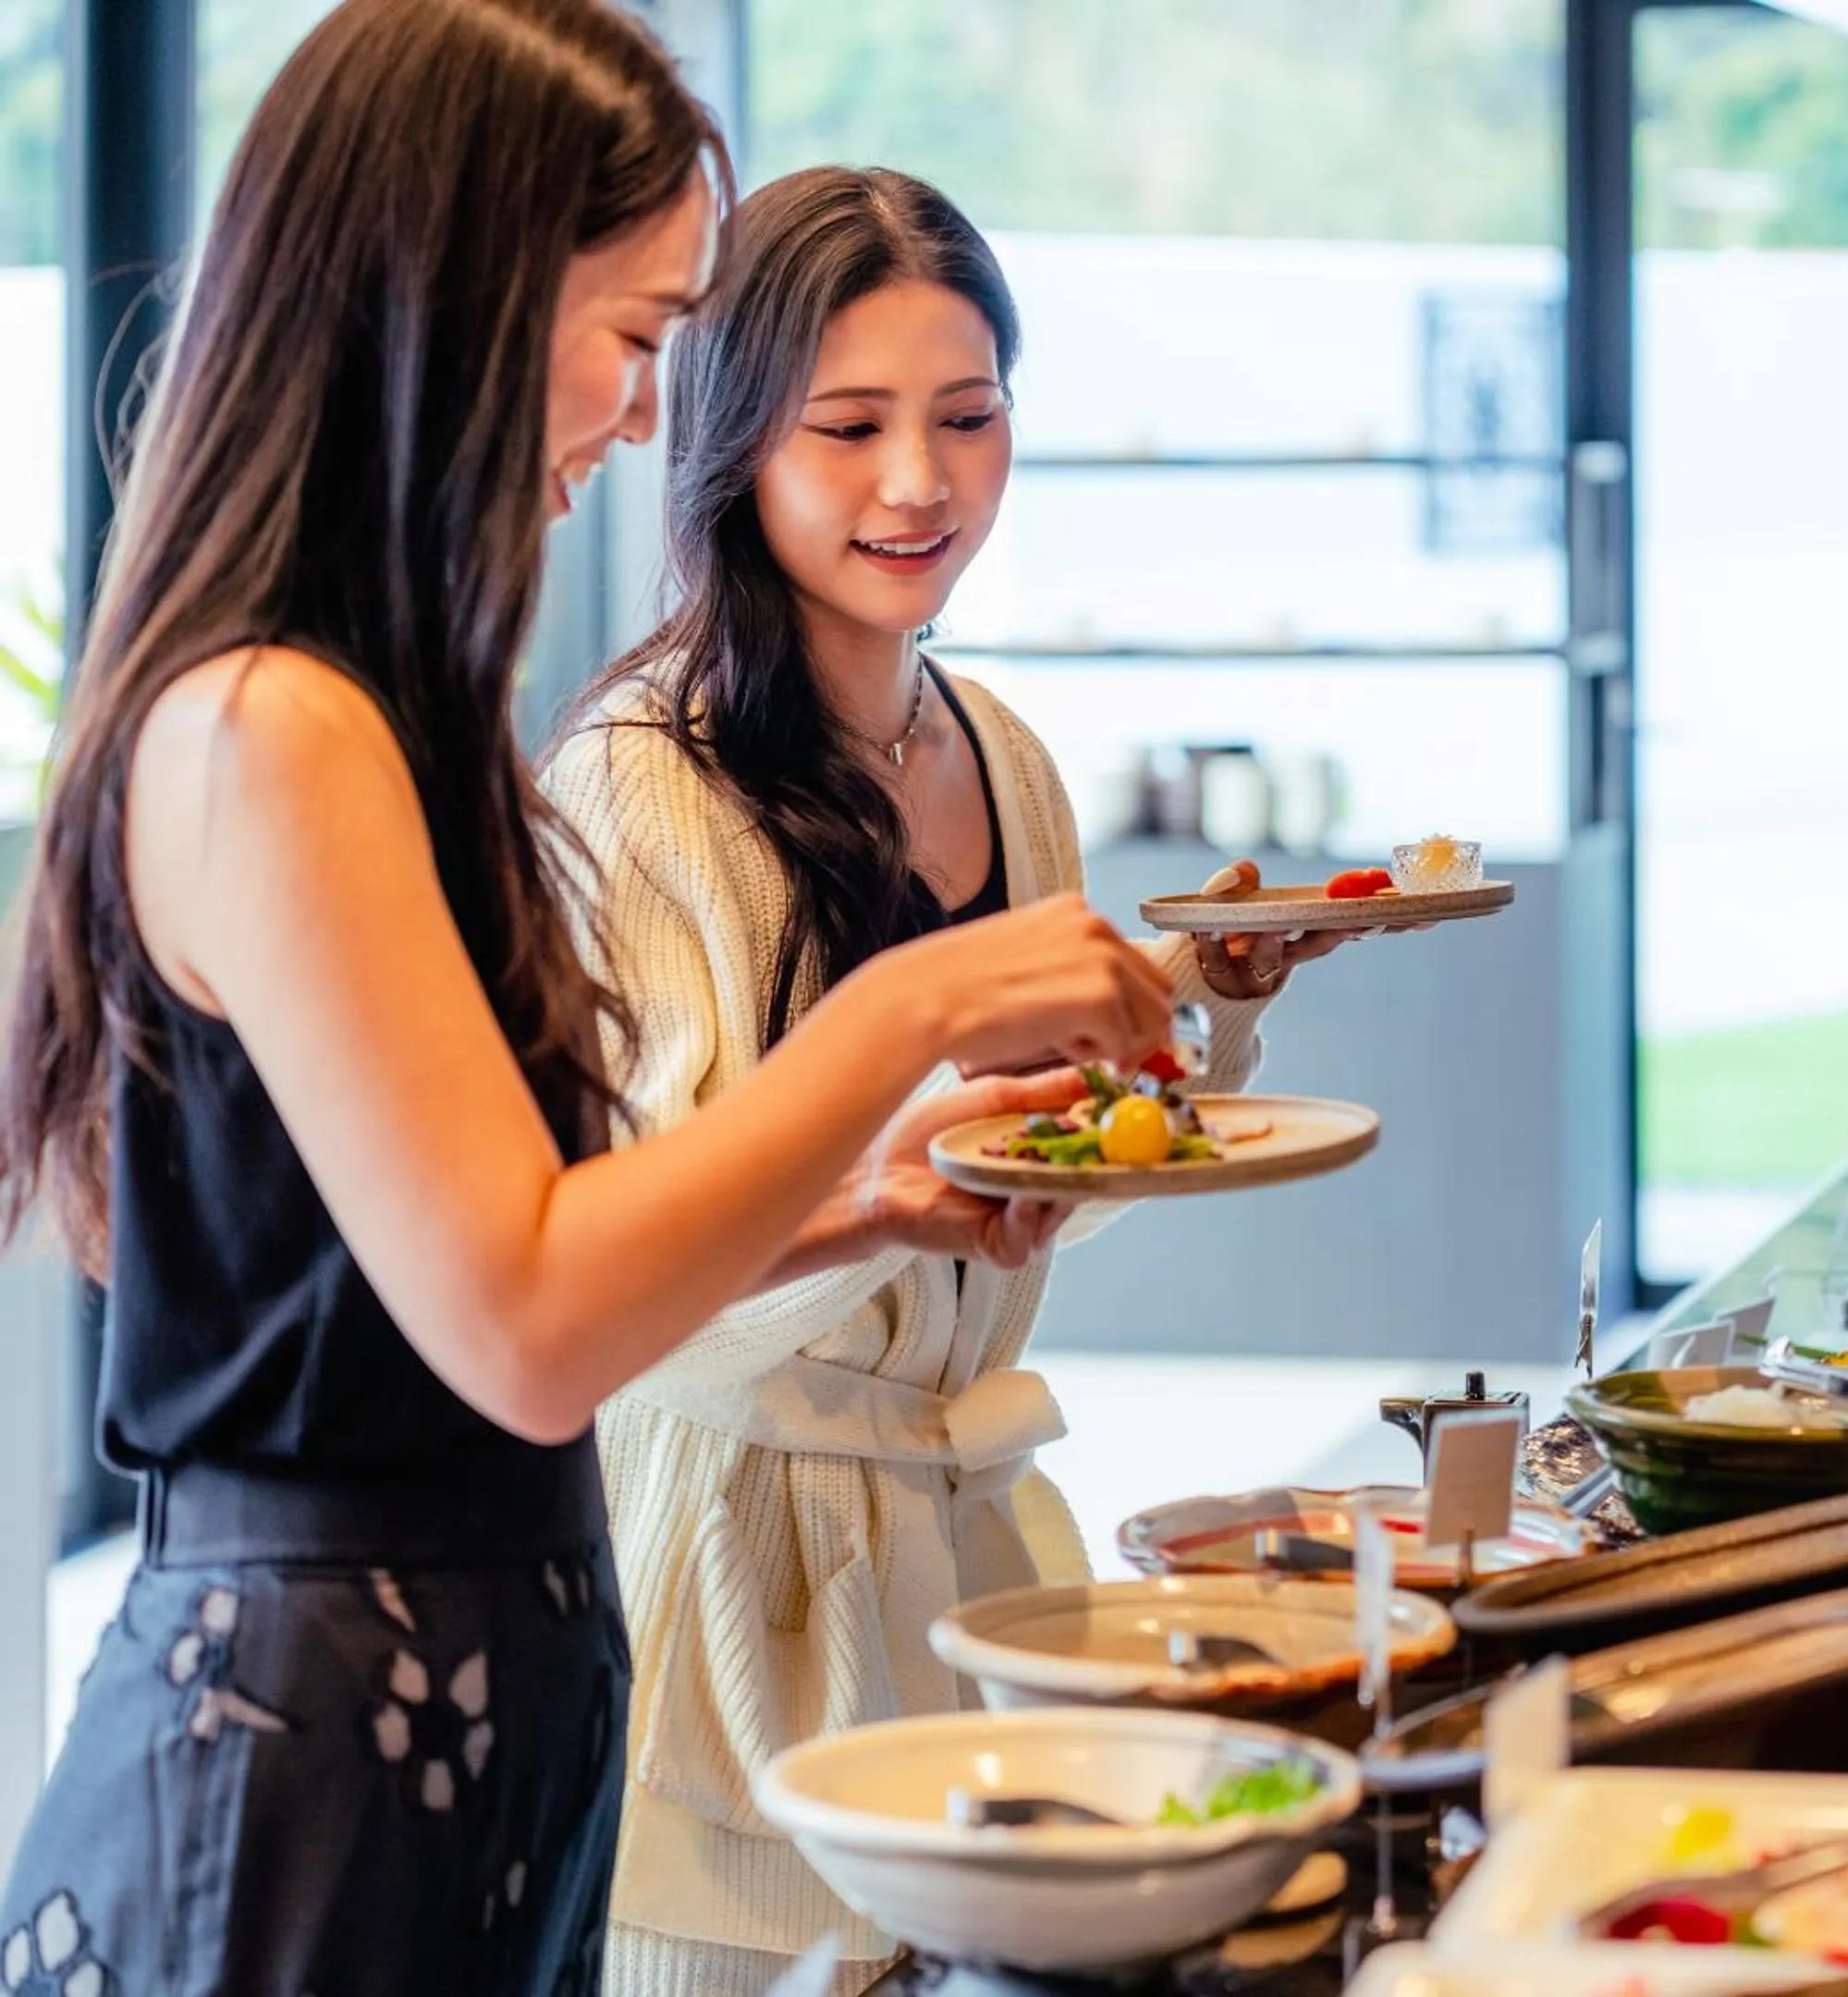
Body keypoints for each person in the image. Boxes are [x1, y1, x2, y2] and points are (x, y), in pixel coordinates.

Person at [0, 10, 1167, 1993]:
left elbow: (501, 1267)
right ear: (449, 303)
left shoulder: (379, 717)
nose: (646, 417)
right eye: (637, 337)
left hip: (464, 1719)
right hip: (306, 1752)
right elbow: (534, 1327)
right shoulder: (274, 729)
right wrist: (909, 1020)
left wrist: (878, 1198)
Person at [542, 166, 1357, 1995]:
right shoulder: (641, 786)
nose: (919, 483)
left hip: (962, 1560)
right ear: (730, 438)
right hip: (714, 1582)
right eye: (849, 427)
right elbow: (628, 1301)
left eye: (969, 419)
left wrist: (1195, 1012)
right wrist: (896, 1176)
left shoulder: (1005, 754)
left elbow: (1026, 1193)